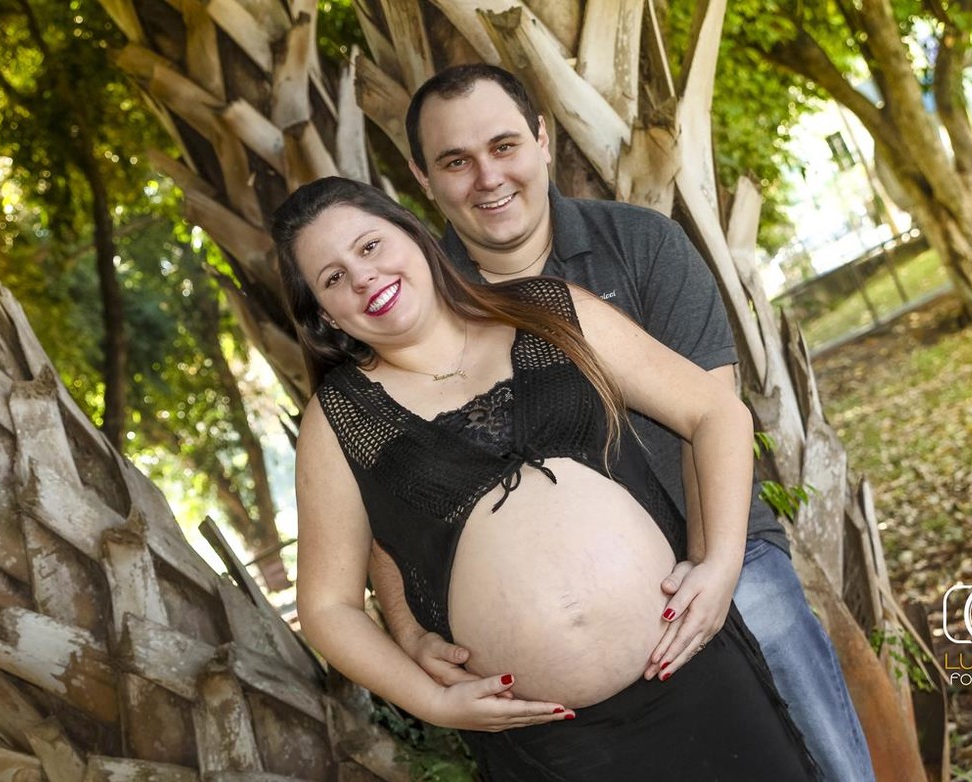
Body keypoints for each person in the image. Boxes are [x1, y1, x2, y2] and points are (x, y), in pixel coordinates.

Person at [366, 64, 874, 782]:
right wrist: (411, 632)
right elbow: (382, 503)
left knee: (790, 676)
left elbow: (712, 423)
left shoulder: (643, 245)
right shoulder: (415, 315)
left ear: (543, 140)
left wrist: (713, 574)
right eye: (456, 161)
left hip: (713, 553)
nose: (488, 177)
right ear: (423, 177)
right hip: (544, 660)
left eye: (504, 145)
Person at [274, 176, 819, 780]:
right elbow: (328, 607)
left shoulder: (548, 309)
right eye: (332, 278)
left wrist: (718, 565)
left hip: (696, 673)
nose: (362, 277)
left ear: (411, 232)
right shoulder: (339, 421)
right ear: (325, 316)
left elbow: (714, 411)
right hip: (554, 747)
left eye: (370, 246)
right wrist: (432, 701)